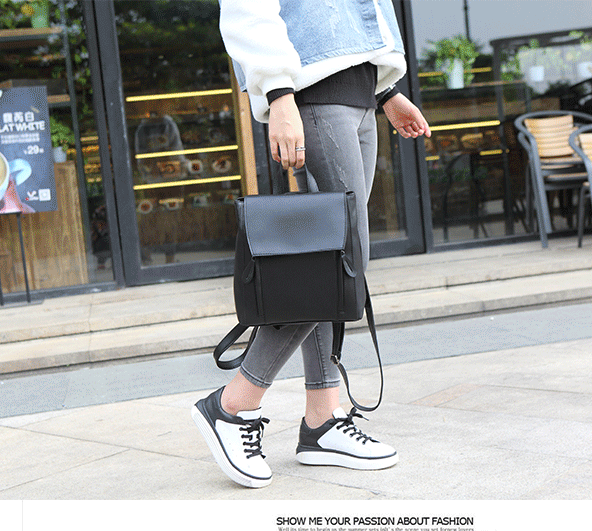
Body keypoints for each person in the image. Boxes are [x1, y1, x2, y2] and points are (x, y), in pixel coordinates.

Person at [192, 0, 431, 489]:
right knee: (336, 263)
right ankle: (233, 405)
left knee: (331, 261)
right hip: (315, 96)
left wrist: (385, 90)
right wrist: (279, 96)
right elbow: (247, 8)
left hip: (359, 96)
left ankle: (322, 419)